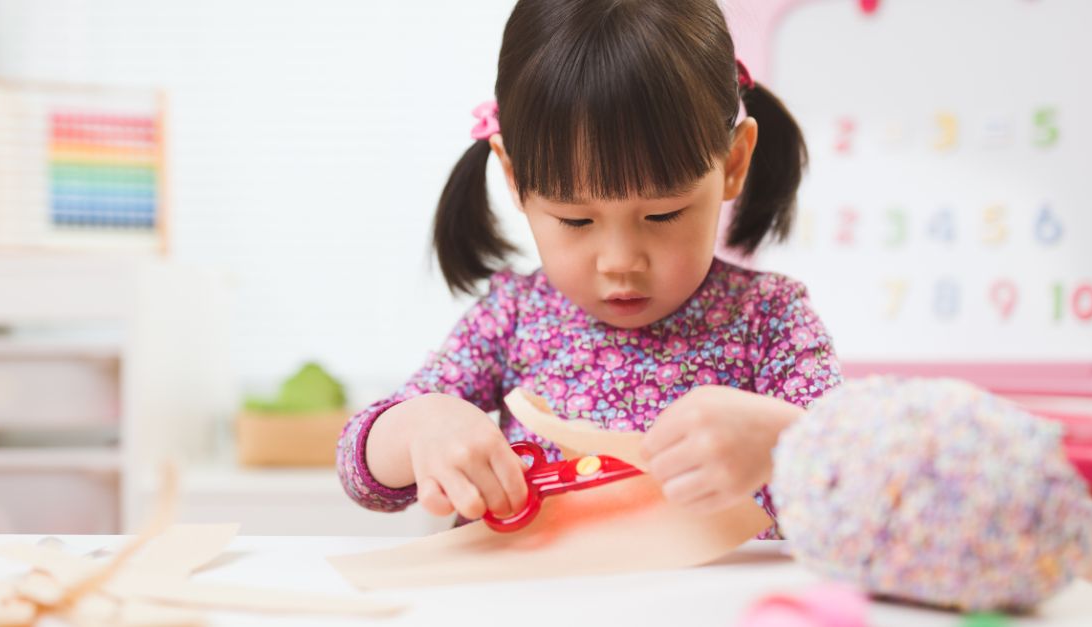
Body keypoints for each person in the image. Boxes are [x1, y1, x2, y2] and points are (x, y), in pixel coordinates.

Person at [337, 0, 841, 539]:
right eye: (576, 220)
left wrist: (784, 441)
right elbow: (360, 470)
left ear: (734, 164)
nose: (620, 261)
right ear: (514, 178)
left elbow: (864, 490)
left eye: (662, 213)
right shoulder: (514, 317)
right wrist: (421, 427)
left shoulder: (769, 321)